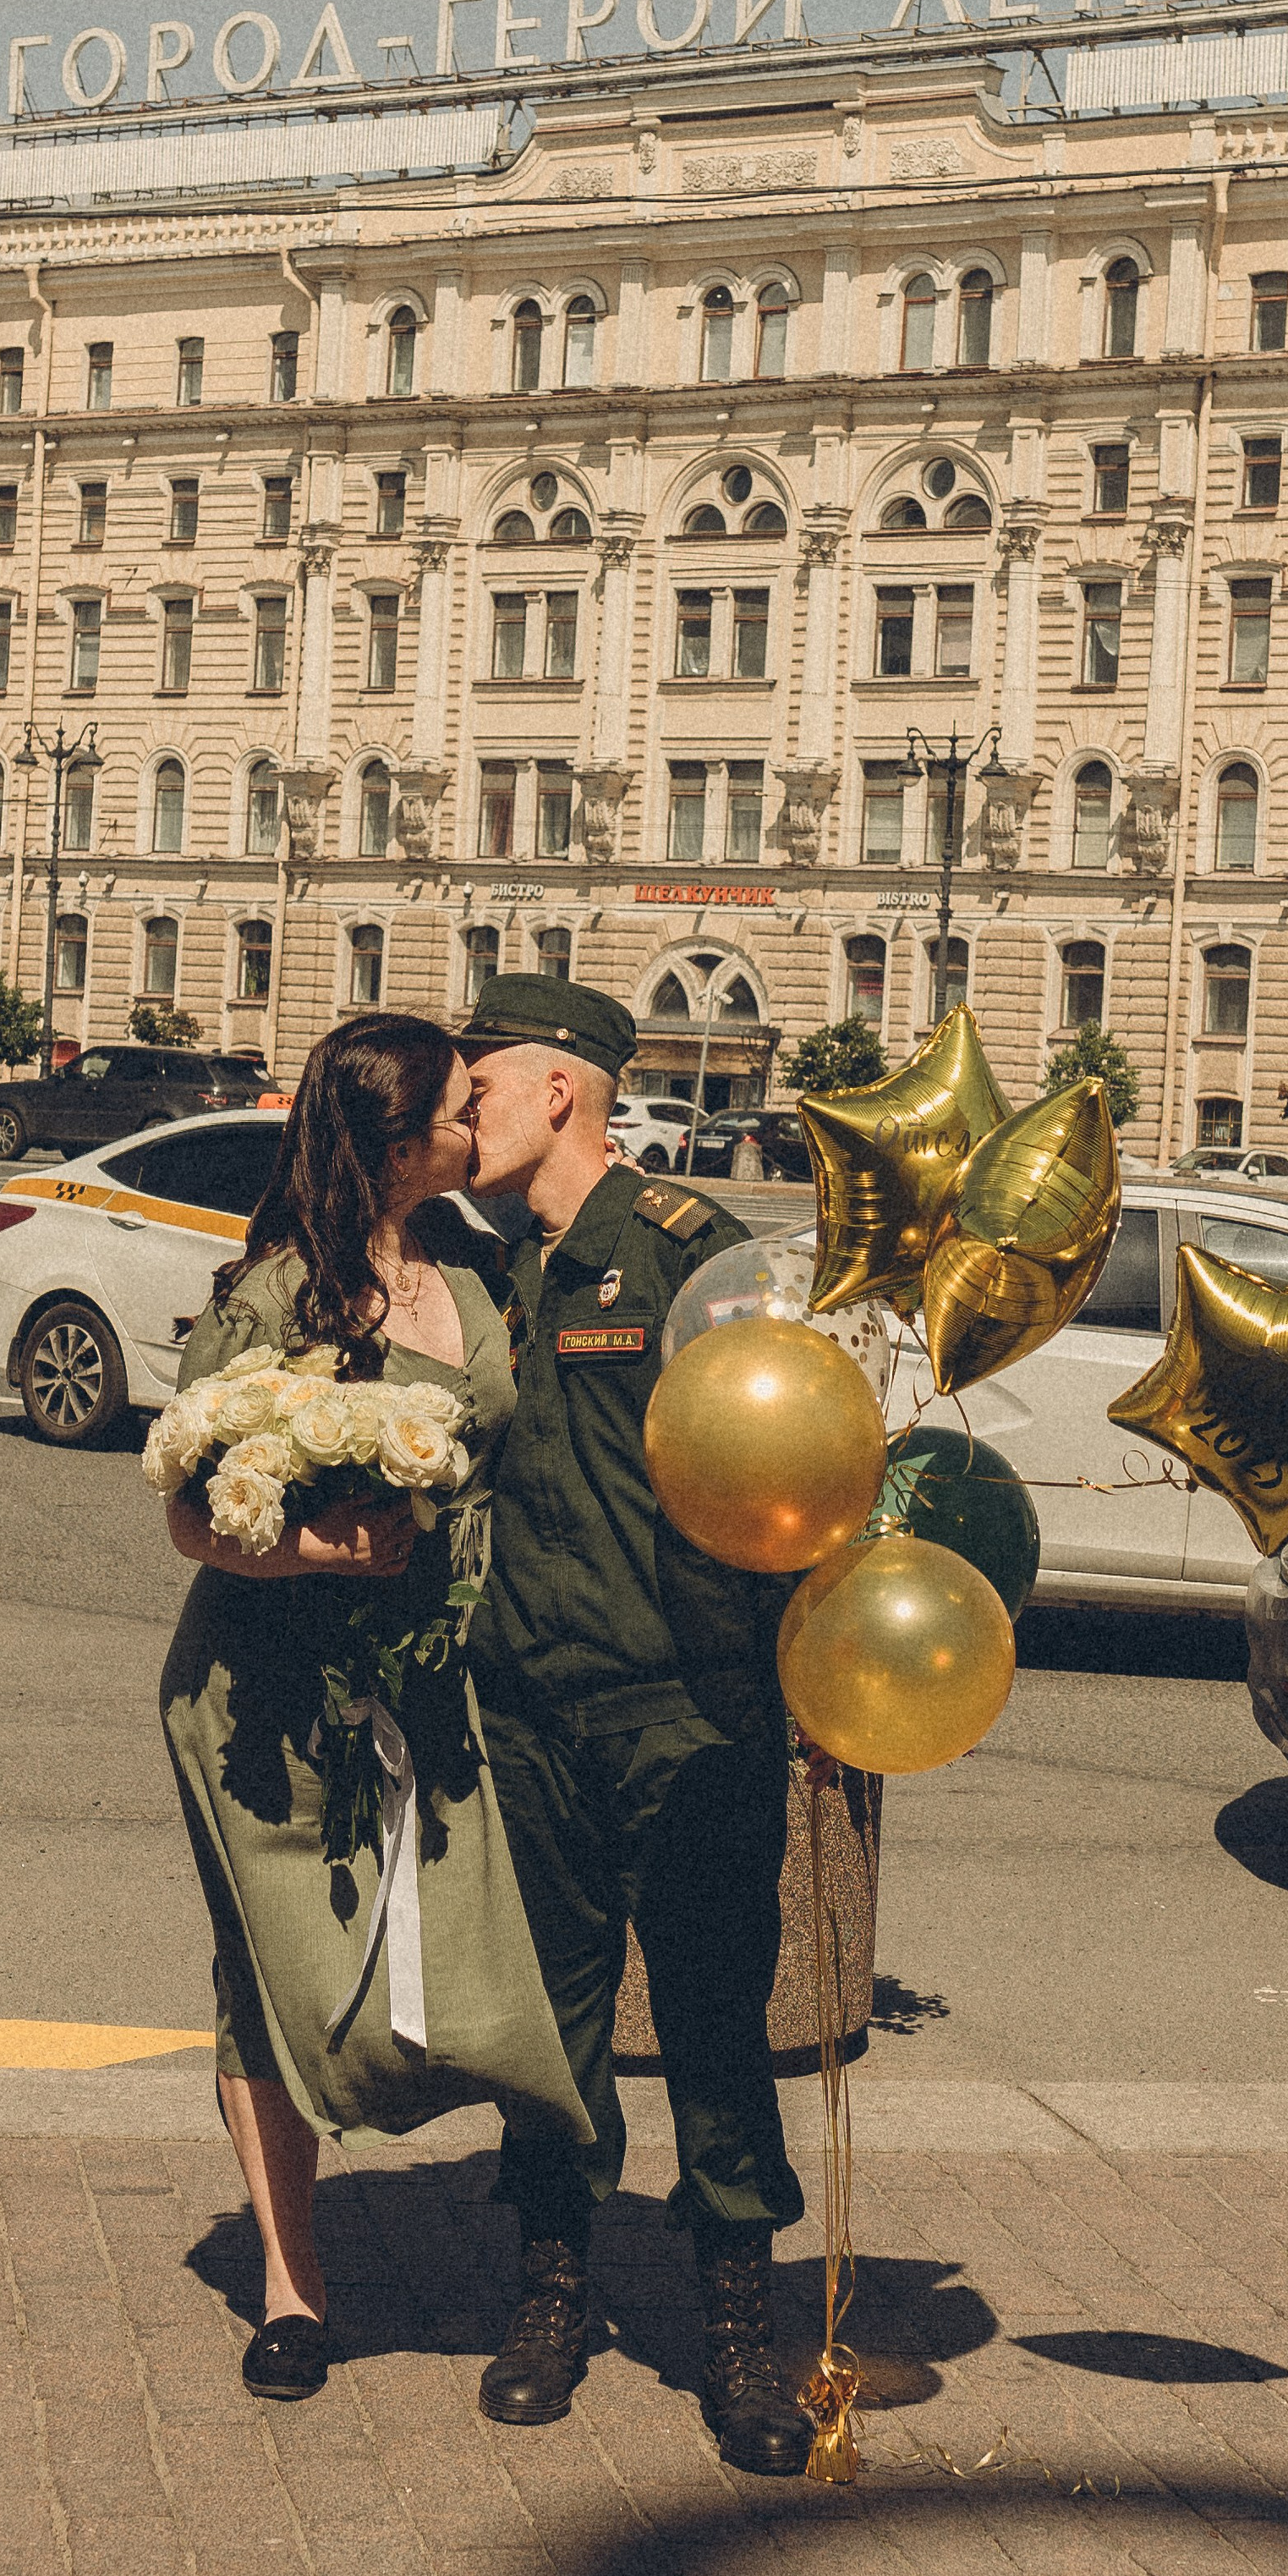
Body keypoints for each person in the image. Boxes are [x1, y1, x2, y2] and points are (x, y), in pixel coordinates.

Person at [158, 1011, 589, 2403]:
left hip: (435, 1670)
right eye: (462, 1110)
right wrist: (317, 1548)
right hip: (270, 1689)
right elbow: (189, 1511)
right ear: (396, 1143)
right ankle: (294, 2289)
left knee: (461, 1954)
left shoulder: (481, 1267)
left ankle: (532, 2230)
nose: (484, 1125)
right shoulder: (270, 1297)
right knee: (268, 1972)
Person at [458, 973, 813, 2478]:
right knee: (550, 2026)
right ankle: (553, 2294)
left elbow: (792, 1477)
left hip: (688, 1708)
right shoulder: (488, 1270)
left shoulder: (694, 1262)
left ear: (560, 1093)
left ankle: (739, 2328)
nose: (459, 1113)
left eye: (480, 1088)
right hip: (527, 1703)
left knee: (720, 2021)